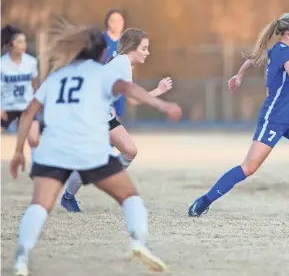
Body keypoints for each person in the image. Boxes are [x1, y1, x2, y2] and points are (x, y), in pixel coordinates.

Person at [9, 23, 182, 276]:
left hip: (54, 146)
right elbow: (129, 91)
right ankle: (138, 241)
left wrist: (17, 152)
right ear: (102, 53)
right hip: (88, 144)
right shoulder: (105, 72)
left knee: (39, 205)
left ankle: (21, 259)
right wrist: (163, 105)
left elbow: (28, 113)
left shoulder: (57, 76)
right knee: (130, 197)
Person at [188, 13, 289, 217]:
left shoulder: (278, 49)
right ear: (288, 34)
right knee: (248, 167)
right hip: (274, 118)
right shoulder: (286, 53)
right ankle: (204, 201)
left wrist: (239, 76)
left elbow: (253, 59)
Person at [60, 28, 173, 212]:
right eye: (144, 48)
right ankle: (69, 196)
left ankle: (86, 186)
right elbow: (134, 100)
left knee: (129, 150)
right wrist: (159, 91)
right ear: (132, 49)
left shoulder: (122, 62)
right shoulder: (122, 63)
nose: (148, 52)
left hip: (103, 114)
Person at [0, 25, 40, 140]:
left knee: (34, 139)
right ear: (11, 45)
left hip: (26, 106)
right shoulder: (2, 64)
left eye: (24, 41)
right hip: (7, 107)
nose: (24, 45)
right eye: (20, 42)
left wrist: (35, 103)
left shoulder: (31, 62)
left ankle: (34, 157)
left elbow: (34, 84)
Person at [103, 9, 126, 118]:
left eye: (119, 20)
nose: (116, 24)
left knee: (116, 120)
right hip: (103, 87)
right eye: (113, 20)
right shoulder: (101, 40)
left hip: (119, 87)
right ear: (108, 22)